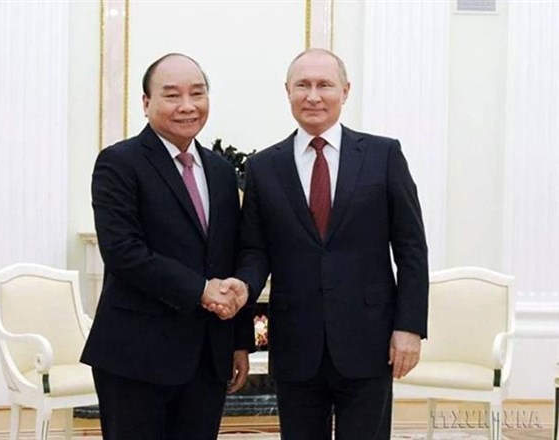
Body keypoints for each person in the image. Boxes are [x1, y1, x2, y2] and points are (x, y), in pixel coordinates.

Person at [234, 48, 429, 439]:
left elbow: (411, 248)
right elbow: (254, 252)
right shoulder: (262, 167)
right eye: (302, 85)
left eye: (325, 85)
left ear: (346, 90)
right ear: (287, 91)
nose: (313, 96)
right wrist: (240, 292)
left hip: (370, 338)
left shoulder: (383, 155)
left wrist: (409, 327)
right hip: (295, 341)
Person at [81, 53, 252, 440]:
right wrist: (200, 290)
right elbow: (124, 251)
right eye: (172, 95)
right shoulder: (119, 163)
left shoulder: (223, 172)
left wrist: (238, 343)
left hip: (207, 357)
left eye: (197, 93)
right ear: (146, 103)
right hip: (136, 355)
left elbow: (229, 255)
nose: (187, 106)